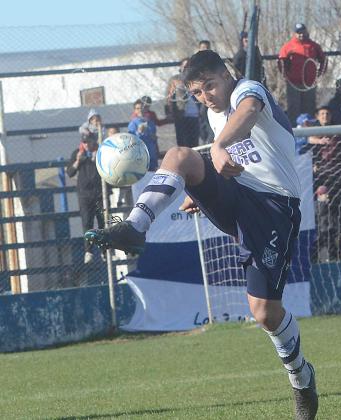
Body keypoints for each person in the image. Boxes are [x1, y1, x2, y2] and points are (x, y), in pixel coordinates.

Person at [84, 50, 318, 419]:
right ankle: (134, 227)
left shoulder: (248, 90)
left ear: (226, 76)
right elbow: (224, 159)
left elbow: (249, 112)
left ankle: (301, 376)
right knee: (180, 156)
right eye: (197, 92)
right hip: (239, 195)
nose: (206, 96)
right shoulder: (212, 114)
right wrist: (202, 188)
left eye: (210, 85)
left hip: (275, 209)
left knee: (264, 313)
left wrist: (221, 146)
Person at [70, 110, 106, 264]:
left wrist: (98, 154)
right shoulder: (77, 153)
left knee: (102, 221)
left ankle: (105, 251)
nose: (86, 144)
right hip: (84, 194)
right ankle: (89, 251)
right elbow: (70, 172)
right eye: (84, 142)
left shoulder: (100, 152)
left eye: (89, 141)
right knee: (87, 222)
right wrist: (78, 160)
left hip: (99, 192)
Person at [278, 23, 327, 123]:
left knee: (309, 107)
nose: (301, 35)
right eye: (298, 33)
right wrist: (285, 75)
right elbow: (281, 61)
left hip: (309, 83)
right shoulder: (288, 46)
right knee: (294, 107)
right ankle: (294, 130)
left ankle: (311, 132)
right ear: (295, 33)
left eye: (302, 32)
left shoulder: (314, 46)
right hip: (293, 83)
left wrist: (320, 73)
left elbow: (323, 60)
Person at [167, 58, 202, 148]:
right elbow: (168, 97)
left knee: (194, 144)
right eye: (185, 66)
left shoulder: (196, 79)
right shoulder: (174, 80)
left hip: (195, 115)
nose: (187, 68)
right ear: (181, 67)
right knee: (183, 144)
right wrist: (169, 112)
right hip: (181, 115)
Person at [128, 99, 160, 171]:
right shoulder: (133, 123)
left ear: (145, 109)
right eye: (137, 108)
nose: (140, 110)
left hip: (152, 155)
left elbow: (154, 138)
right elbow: (131, 140)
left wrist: (154, 138)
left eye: (142, 108)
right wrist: (139, 132)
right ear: (135, 111)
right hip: (140, 156)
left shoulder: (150, 122)